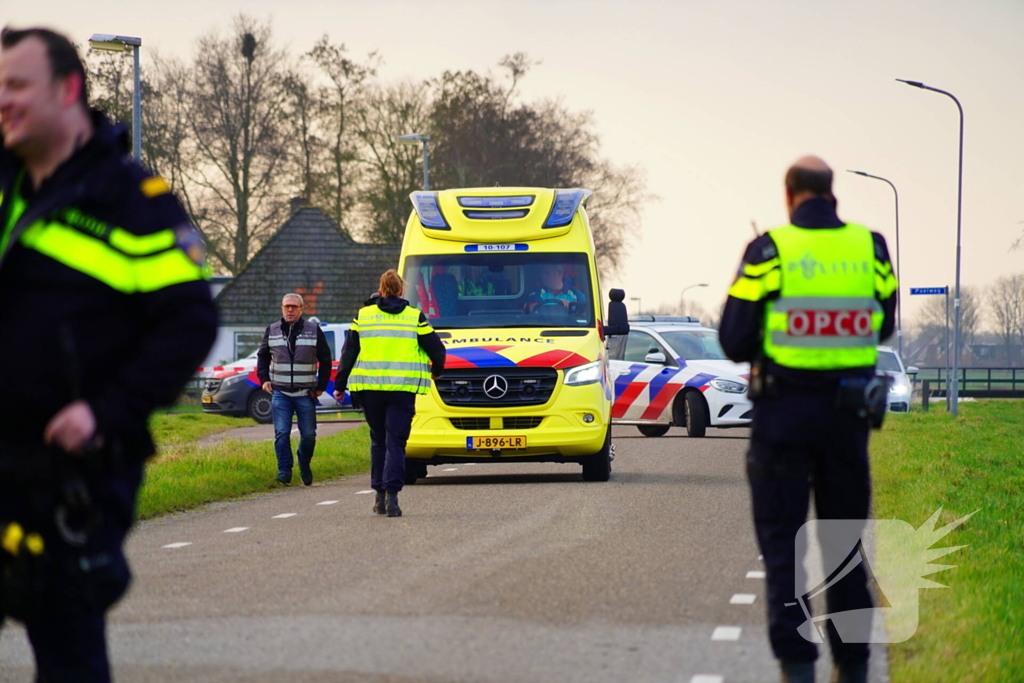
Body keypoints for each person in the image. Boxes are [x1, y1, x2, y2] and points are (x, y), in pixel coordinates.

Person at [0, 26, 217, 682]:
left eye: (16, 86)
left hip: (71, 471)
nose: (2, 101)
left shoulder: (131, 202)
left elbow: (189, 321)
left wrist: (103, 411)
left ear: (67, 90)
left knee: (68, 658)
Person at [719, 156, 897, 683]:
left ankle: (798, 670)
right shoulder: (871, 248)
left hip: (783, 418)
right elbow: (885, 324)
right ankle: (855, 668)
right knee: (843, 545)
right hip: (848, 419)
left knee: (783, 549)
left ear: (789, 194)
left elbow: (732, 339)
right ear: (831, 192)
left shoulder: (770, 250)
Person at [333, 270, 445, 517]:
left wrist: (339, 386)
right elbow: (437, 349)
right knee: (396, 442)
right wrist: (436, 371)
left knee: (378, 440)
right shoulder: (414, 317)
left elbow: (348, 353)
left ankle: (379, 496)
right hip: (402, 391)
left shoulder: (364, 316)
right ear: (401, 291)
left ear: (381, 290)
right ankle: (393, 498)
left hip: (371, 390)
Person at [256, 293, 333, 486]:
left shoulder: (314, 330)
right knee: (281, 433)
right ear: (282, 308)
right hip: (280, 392)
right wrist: (264, 379)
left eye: (293, 307)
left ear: (301, 309)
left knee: (308, 434)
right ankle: (284, 470)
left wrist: (321, 386)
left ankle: (304, 463)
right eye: (286, 307)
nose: (290, 310)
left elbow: (325, 360)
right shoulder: (272, 330)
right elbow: (262, 356)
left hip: (305, 393)